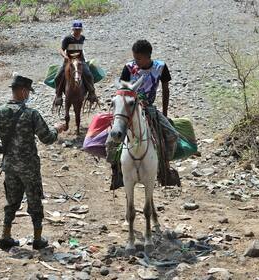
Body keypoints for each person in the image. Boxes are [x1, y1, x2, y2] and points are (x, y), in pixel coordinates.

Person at [0, 75, 65, 250]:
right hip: (29, 168)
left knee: (11, 201)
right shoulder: (31, 114)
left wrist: (2, 149)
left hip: (10, 167)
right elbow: (47, 138)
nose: (28, 95)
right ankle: (37, 239)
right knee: (34, 201)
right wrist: (57, 129)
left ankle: (5, 236)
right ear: (22, 91)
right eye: (27, 91)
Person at [107, 39, 179, 189]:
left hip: (149, 108)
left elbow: (166, 90)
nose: (136, 61)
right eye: (134, 57)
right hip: (130, 110)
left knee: (172, 135)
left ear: (148, 57)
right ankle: (116, 171)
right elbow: (122, 91)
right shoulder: (128, 67)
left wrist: (164, 113)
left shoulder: (161, 67)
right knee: (110, 140)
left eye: (139, 58)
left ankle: (165, 168)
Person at [54, 20, 97, 106]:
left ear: (81, 30)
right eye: (76, 29)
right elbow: (61, 49)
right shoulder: (67, 38)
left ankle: (92, 93)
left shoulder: (82, 38)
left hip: (80, 60)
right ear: (73, 29)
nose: (77, 31)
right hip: (69, 60)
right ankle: (58, 96)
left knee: (88, 74)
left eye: (79, 29)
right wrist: (65, 56)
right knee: (58, 76)